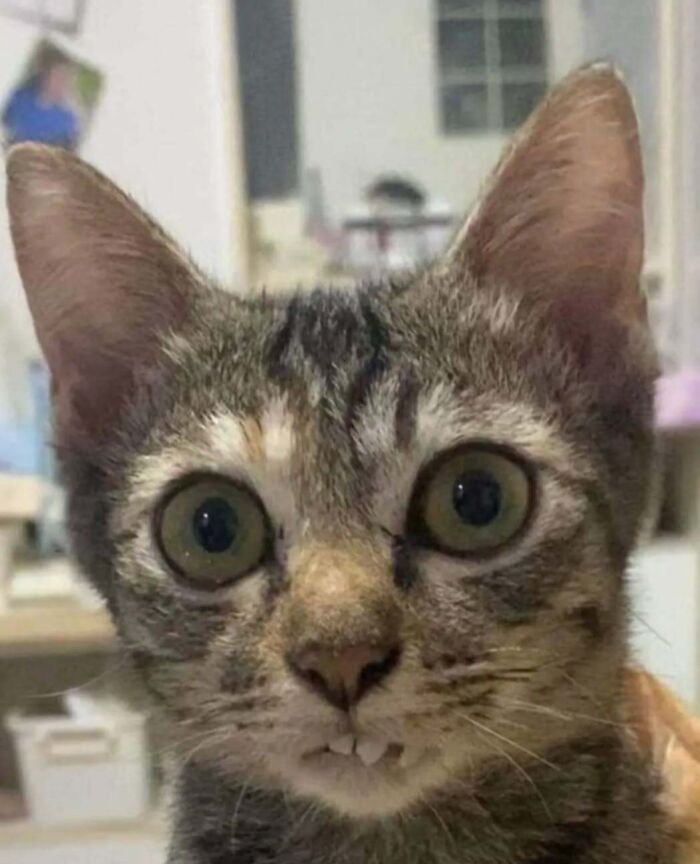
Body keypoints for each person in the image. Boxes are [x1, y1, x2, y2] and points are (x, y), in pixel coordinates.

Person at [2, 49, 79, 150]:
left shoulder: (67, 122)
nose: (61, 84)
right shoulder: (19, 97)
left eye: (65, 79)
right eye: (57, 77)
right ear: (45, 76)